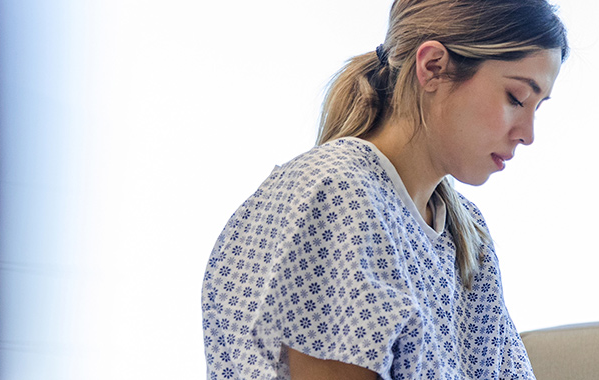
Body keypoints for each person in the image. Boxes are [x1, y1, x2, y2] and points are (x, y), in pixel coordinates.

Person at [200, 0, 566, 378]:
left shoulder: (467, 235)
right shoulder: (338, 197)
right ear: (433, 68)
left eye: (537, 107)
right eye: (516, 98)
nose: (528, 134)